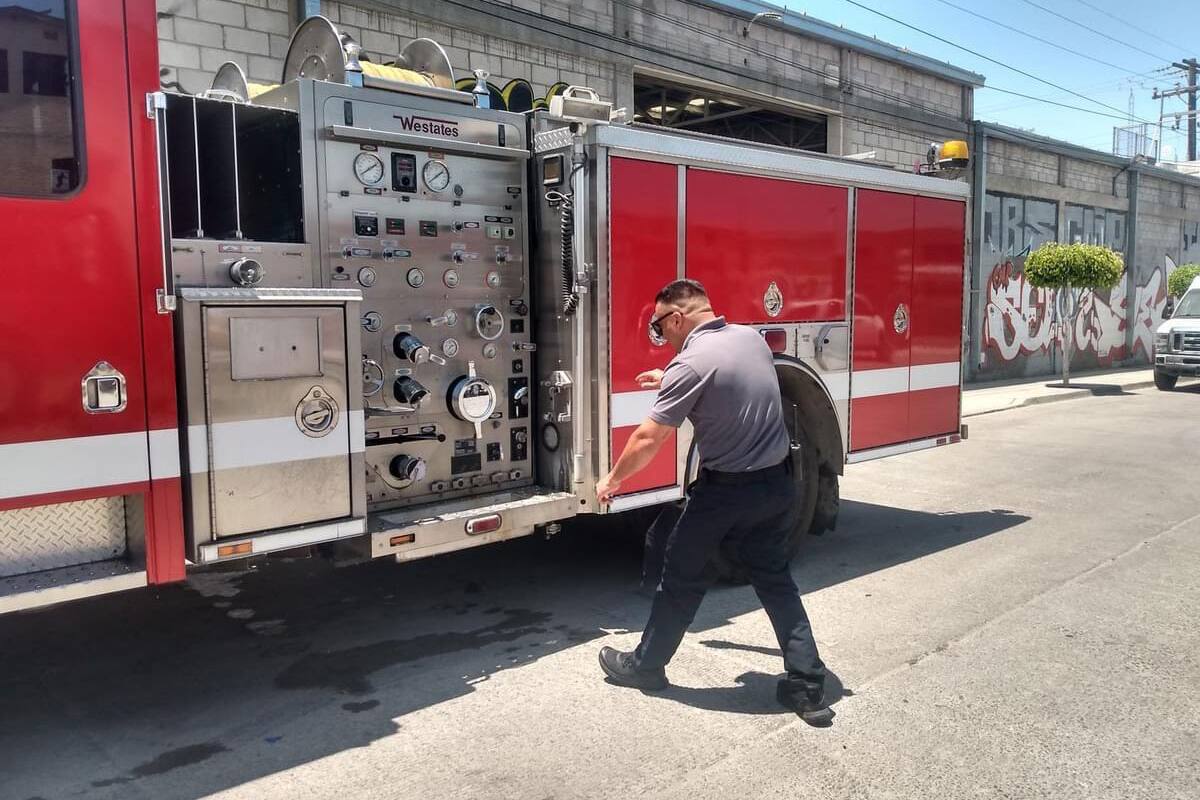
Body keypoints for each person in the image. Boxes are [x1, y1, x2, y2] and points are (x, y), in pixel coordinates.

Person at [595, 278, 831, 723]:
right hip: (778, 487)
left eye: (659, 327)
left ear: (678, 317)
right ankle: (807, 683)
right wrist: (669, 377)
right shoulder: (750, 339)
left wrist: (612, 479)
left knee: (680, 576)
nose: (661, 336)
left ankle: (646, 667)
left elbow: (649, 437)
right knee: (776, 580)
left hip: (726, 493)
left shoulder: (691, 363)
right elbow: (726, 378)